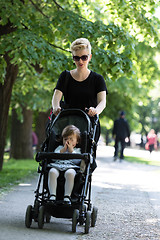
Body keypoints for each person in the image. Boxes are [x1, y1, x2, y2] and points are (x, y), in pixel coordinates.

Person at [51, 38, 108, 143]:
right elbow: (56, 96)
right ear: (73, 58)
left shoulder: (97, 79)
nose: (80, 61)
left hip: (88, 125)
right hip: (67, 124)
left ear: (89, 57)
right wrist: (56, 107)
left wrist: (96, 110)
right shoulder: (65, 76)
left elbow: (102, 101)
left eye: (84, 57)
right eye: (76, 58)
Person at [48, 125, 83, 205]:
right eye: (65, 139)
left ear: (77, 141)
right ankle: (52, 195)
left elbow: (78, 161)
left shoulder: (77, 150)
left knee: (70, 173)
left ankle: (67, 196)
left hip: (71, 167)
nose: (68, 141)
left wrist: (71, 152)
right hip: (57, 166)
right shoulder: (59, 148)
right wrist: (62, 151)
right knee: (52, 172)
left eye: (71, 139)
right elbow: (53, 158)